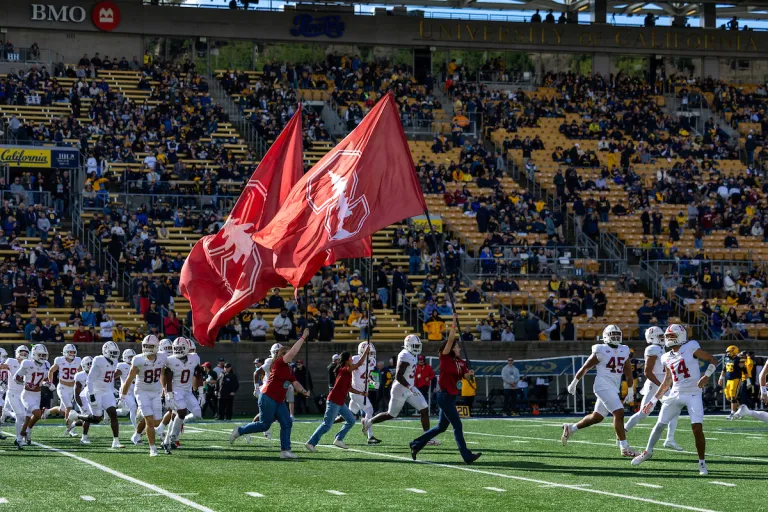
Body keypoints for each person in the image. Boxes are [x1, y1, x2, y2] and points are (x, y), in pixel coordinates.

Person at [631, 324, 719, 475]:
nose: (669, 339)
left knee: (697, 428)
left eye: (672, 336)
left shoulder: (691, 347)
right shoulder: (665, 357)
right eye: (667, 337)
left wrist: (706, 376)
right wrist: (652, 402)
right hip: (676, 393)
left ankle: (702, 463)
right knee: (659, 424)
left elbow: (712, 360)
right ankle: (648, 451)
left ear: (681, 336)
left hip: (693, 393)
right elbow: (667, 381)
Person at [409, 316, 482, 464]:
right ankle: (467, 456)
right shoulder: (445, 358)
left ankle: (416, 444)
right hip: (444, 396)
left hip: (451, 396)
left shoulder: (461, 362)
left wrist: (470, 375)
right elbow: (449, 341)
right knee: (457, 425)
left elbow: (466, 377)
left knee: (441, 427)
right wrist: (454, 325)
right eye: (457, 347)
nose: (459, 348)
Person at [230, 329, 311, 459]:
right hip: (268, 397)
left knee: (287, 422)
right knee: (264, 425)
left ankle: (285, 450)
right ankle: (240, 430)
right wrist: (303, 337)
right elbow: (294, 351)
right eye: (286, 353)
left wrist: (304, 391)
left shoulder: (289, 368)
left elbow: (295, 383)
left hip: (278, 400)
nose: (290, 355)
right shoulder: (278, 363)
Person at [562, 325, 639, 458]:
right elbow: (585, 367)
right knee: (619, 412)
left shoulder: (624, 349)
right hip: (602, 385)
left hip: (613, 387)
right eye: (612, 335)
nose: (615, 337)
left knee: (597, 417)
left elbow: (628, 373)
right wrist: (573, 383)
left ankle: (571, 428)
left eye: (617, 334)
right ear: (605, 336)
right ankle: (624, 447)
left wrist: (631, 390)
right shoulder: (601, 349)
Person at [362, 334, 439, 445]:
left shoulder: (413, 354)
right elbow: (398, 376)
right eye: (414, 345)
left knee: (424, 409)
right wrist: (409, 386)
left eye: (418, 345)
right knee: (391, 414)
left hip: (410, 388)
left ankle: (426, 437)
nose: (417, 348)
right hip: (401, 389)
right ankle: (369, 422)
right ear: (407, 345)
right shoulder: (404, 355)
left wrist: (411, 386)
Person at [624, 327, 681, 451]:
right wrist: (662, 386)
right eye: (660, 336)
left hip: (662, 384)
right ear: (652, 337)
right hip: (655, 384)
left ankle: (670, 439)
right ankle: (622, 433)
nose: (663, 339)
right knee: (643, 414)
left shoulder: (661, 348)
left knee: (675, 409)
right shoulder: (652, 349)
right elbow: (647, 372)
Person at [305, 345, 371, 452]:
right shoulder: (345, 369)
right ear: (346, 360)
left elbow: (349, 388)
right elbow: (358, 364)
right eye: (350, 358)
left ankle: (338, 439)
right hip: (334, 400)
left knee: (351, 420)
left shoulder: (347, 371)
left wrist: (361, 393)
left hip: (340, 402)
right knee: (327, 425)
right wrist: (365, 353)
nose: (351, 359)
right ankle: (310, 443)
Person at [119, 335, 168, 456]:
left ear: (157, 347)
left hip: (156, 391)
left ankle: (139, 430)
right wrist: (123, 396)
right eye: (145, 346)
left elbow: (162, 372)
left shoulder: (162, 356)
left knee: (157, 422)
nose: (147, 348)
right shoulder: (138, 359)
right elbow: (129, 379)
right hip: (142, 391)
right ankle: (153, 448)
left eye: (150, 346)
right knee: (150, 421)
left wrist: (164, 388)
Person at [71, 341, 122, 448]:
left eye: (115, 352)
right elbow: (89, 380)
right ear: (105, 351)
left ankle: (116, 441)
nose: (114, 354)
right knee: (96, 419)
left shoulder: (115, 361)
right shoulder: (99, 360)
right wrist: (92, 396)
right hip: (95, 391)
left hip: (107, 391)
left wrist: (112, 389)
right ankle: (76, 415)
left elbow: (111, 378)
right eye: (112, 352)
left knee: (113, 413)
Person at [161, 337, 203, 451]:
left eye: (181, 348)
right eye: (176, 348)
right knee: (182, 411)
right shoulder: (170, 360)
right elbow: (168, 379)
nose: (178, 350)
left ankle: (167, 440)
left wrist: (201, 392)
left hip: (188, 391)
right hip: (176, 390)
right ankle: (173, 437)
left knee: (197, 414)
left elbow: (198, 375)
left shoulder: (194, 358)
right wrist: (168, 395)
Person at [15, 344, 53, 447]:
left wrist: (48, 384)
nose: (42, 357)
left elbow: (44, 380)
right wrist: (25, 383)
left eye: (44, 355)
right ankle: (28, 431)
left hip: (37, 394)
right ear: (34, 354)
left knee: (28, 418)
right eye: (40, 355)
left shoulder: (46, 365)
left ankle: (19, 438)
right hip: (27, 394)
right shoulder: (27, 363)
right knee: (37, 414)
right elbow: (16, 377)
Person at [45, 344, 82, 436]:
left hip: (72, 388)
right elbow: (51, 370)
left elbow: (81, 373)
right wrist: (50, 382)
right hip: (62, 387)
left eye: (74, 352)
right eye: (71, 352)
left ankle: (47, 411)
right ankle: (69, 429)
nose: (72, 354)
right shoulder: (59, 360)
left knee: (62, 410)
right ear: (65, 352)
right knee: (69, 407)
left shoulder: (78, 360)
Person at [347, 342, 380, 444]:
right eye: (369, 352)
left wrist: (372, 382)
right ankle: (370, 435)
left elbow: (365, 375)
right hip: (357, 391)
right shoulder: (356, 359)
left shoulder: (373, 361)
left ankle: (330, 427)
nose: (371, 355)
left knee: (347, 416)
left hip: (362, 391)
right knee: (369, 410)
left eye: (372, 353)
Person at [718, 345, 745, 420]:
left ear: (734, 351)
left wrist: (747, 380)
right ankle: (741, 410)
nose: (728, 353)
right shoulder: (727, 359)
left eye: (729, 352)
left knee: (733, 396)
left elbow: (744, 369)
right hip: (728, 380)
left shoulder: (739, 359)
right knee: (728, 396)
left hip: (736, 379)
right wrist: (721, 378)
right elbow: (724, 369)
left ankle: (732, 413)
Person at [114, 349, 138, 428]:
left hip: (137, 391)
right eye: (130, 357)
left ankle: (110, 410)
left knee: (125, 412)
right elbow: (112, 377)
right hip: (126, 392)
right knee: (133, 408)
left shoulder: (137, 365)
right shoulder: (122, 366)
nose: (132, 358)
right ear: (125, 357)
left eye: (133, 357)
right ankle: (137, 429)